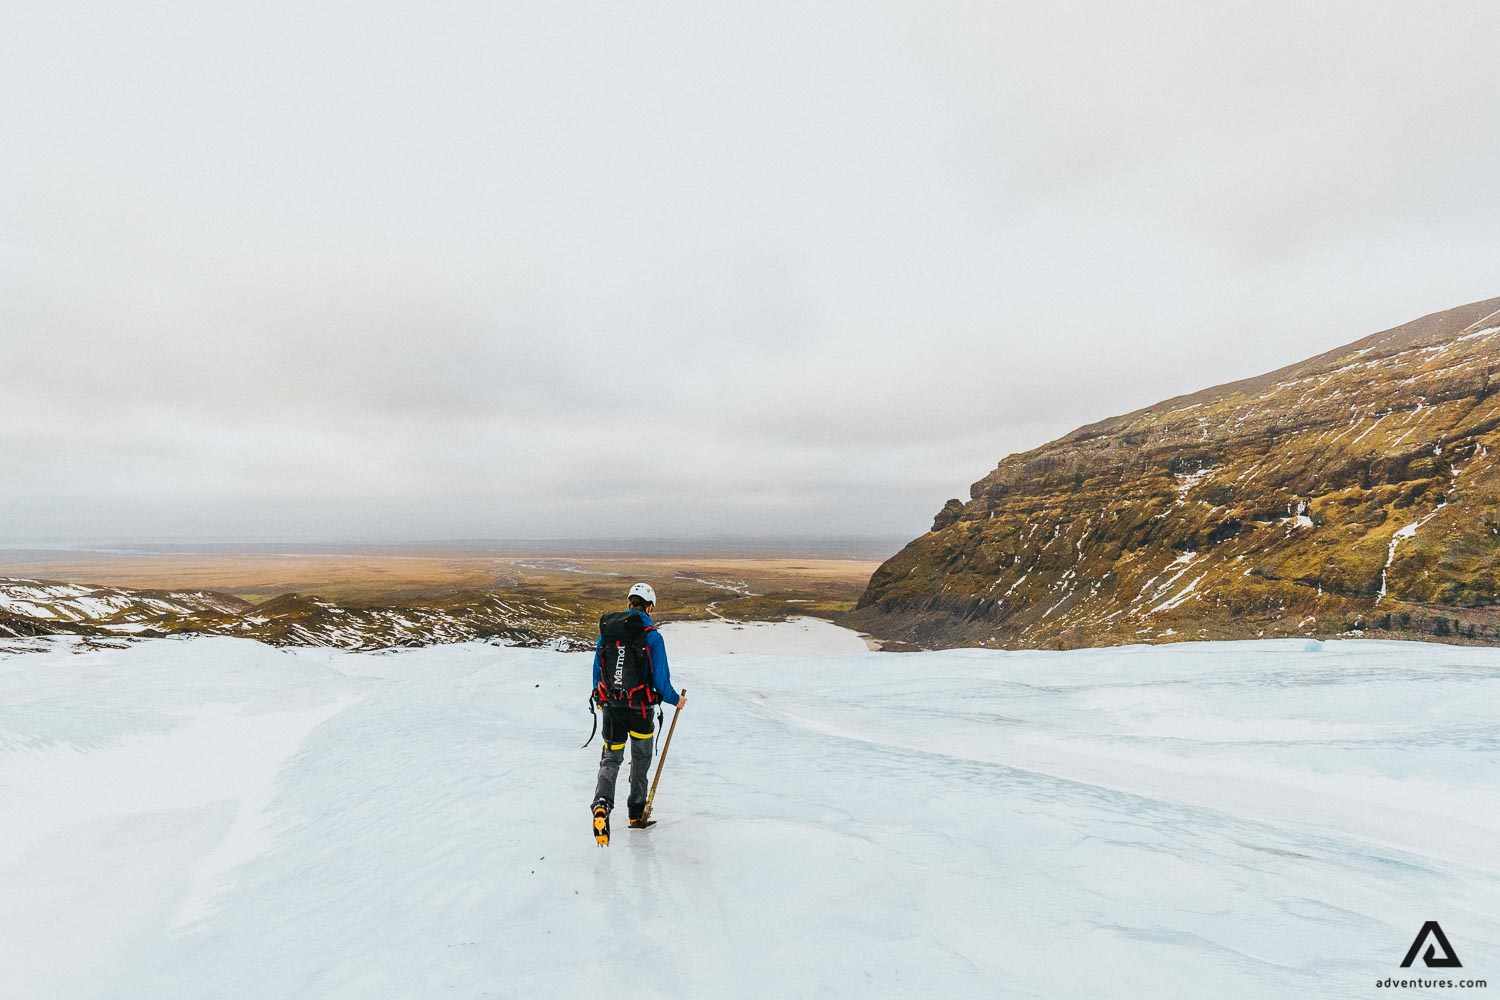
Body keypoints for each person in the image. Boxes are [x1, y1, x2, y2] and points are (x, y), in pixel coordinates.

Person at [590, 582, 681, 845]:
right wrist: (676, 700)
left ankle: (601, 805)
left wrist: (600, 699)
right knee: (640, 762)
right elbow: (661, 680)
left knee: (610, 760)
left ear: (630, 602)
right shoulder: (652, 635)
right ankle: (635, 814)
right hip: (641, 711)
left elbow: (598, 671)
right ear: (649, 606)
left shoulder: (607, 632)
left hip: (612, 709)